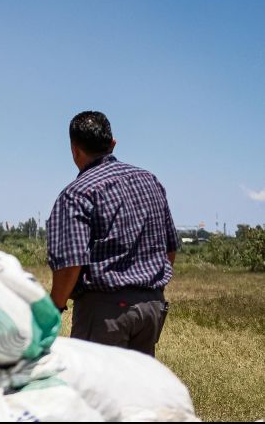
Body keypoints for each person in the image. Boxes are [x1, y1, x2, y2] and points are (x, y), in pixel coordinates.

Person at [46, 111, 179, 357]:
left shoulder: (77, 194)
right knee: (138, 380)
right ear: (112, 143)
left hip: (105, 312)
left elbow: (70, 264)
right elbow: (169, 249)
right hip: (152, 307)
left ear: (75, 150)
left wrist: (54, 307)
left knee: (95, 381)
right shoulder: (150, 181)